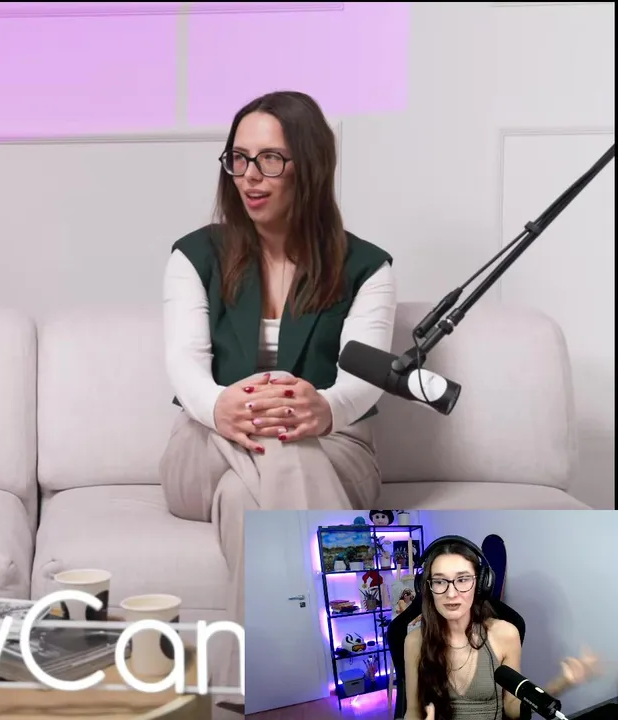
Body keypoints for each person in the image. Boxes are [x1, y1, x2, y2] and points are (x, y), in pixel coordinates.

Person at [157, 90, 398, 695]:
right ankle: (357, 658)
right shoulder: (195, 256)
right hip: (205, 447)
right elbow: (185, 364)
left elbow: (364, 379)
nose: (249, 176)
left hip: (334, 448)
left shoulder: (367, 267)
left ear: (309, 166)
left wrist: (324, 407)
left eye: (269, 160)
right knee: (279, 438)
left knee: (254, 491)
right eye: (238, 158)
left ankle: (247, 694)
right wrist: (220, 406)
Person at [403, 539, 599, 720]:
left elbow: (512, 707)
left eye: (462, 580)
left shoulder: (505, 634)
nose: (451, 593)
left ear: (481, 584)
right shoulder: (414, 642)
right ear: (427, 587)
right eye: (439, 581)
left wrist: (562, 683)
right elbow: (412, 711)